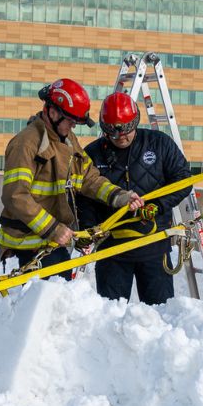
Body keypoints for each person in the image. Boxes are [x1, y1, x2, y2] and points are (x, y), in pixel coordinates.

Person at [0, 78, 143, 276]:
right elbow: (16, 195)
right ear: (52, 112)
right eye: (71, 121)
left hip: (52, 241)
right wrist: (53, 229)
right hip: (29, 244)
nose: (74, 126)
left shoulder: (66, 140)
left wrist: (119, 196)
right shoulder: (26, 143)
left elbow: (89, 178)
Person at [78, 92, 192, 304]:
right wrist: (88, 228)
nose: (121, 137)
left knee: (158, 315)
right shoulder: (93, 154)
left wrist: (158, 205)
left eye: (126, 130)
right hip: (112, 251)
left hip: (154, 247)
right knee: (109, 317)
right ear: (104, 127)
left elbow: (183, 179)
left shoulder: (159, 144)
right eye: (113, 131)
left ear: (135, 122)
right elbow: (85, 197)